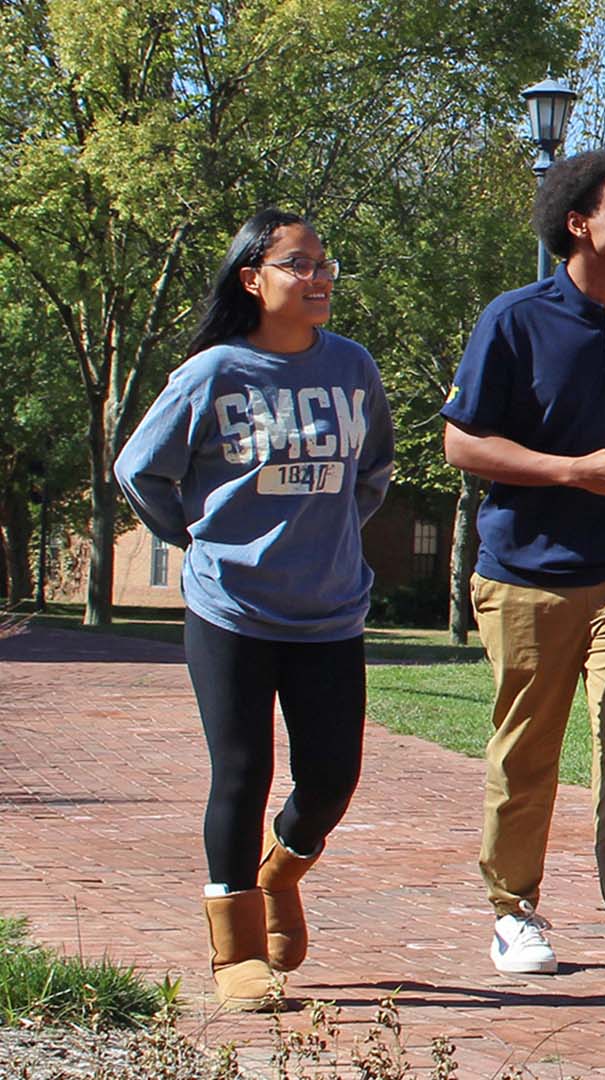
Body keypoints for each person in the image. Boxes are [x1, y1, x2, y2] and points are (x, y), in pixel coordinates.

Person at [115, 208, 393, 1011]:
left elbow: (371, 469)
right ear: (253, 279)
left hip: (331, 610)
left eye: (324, 262)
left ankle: (284, 867)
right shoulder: (213, 375)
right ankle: (234, 951)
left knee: (332, 778)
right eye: (299, 265)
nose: (320, 277)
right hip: (231, 609)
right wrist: (203, 540)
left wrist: (329, 535)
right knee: (242, 771)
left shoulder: (352, 366)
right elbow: (141, 471)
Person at [441, 150, 605, 995]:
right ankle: (513, 912)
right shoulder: (514, 321)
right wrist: (571, 471)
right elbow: (462, 442)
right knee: (529, 750)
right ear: (579, 222)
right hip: (527, 572)